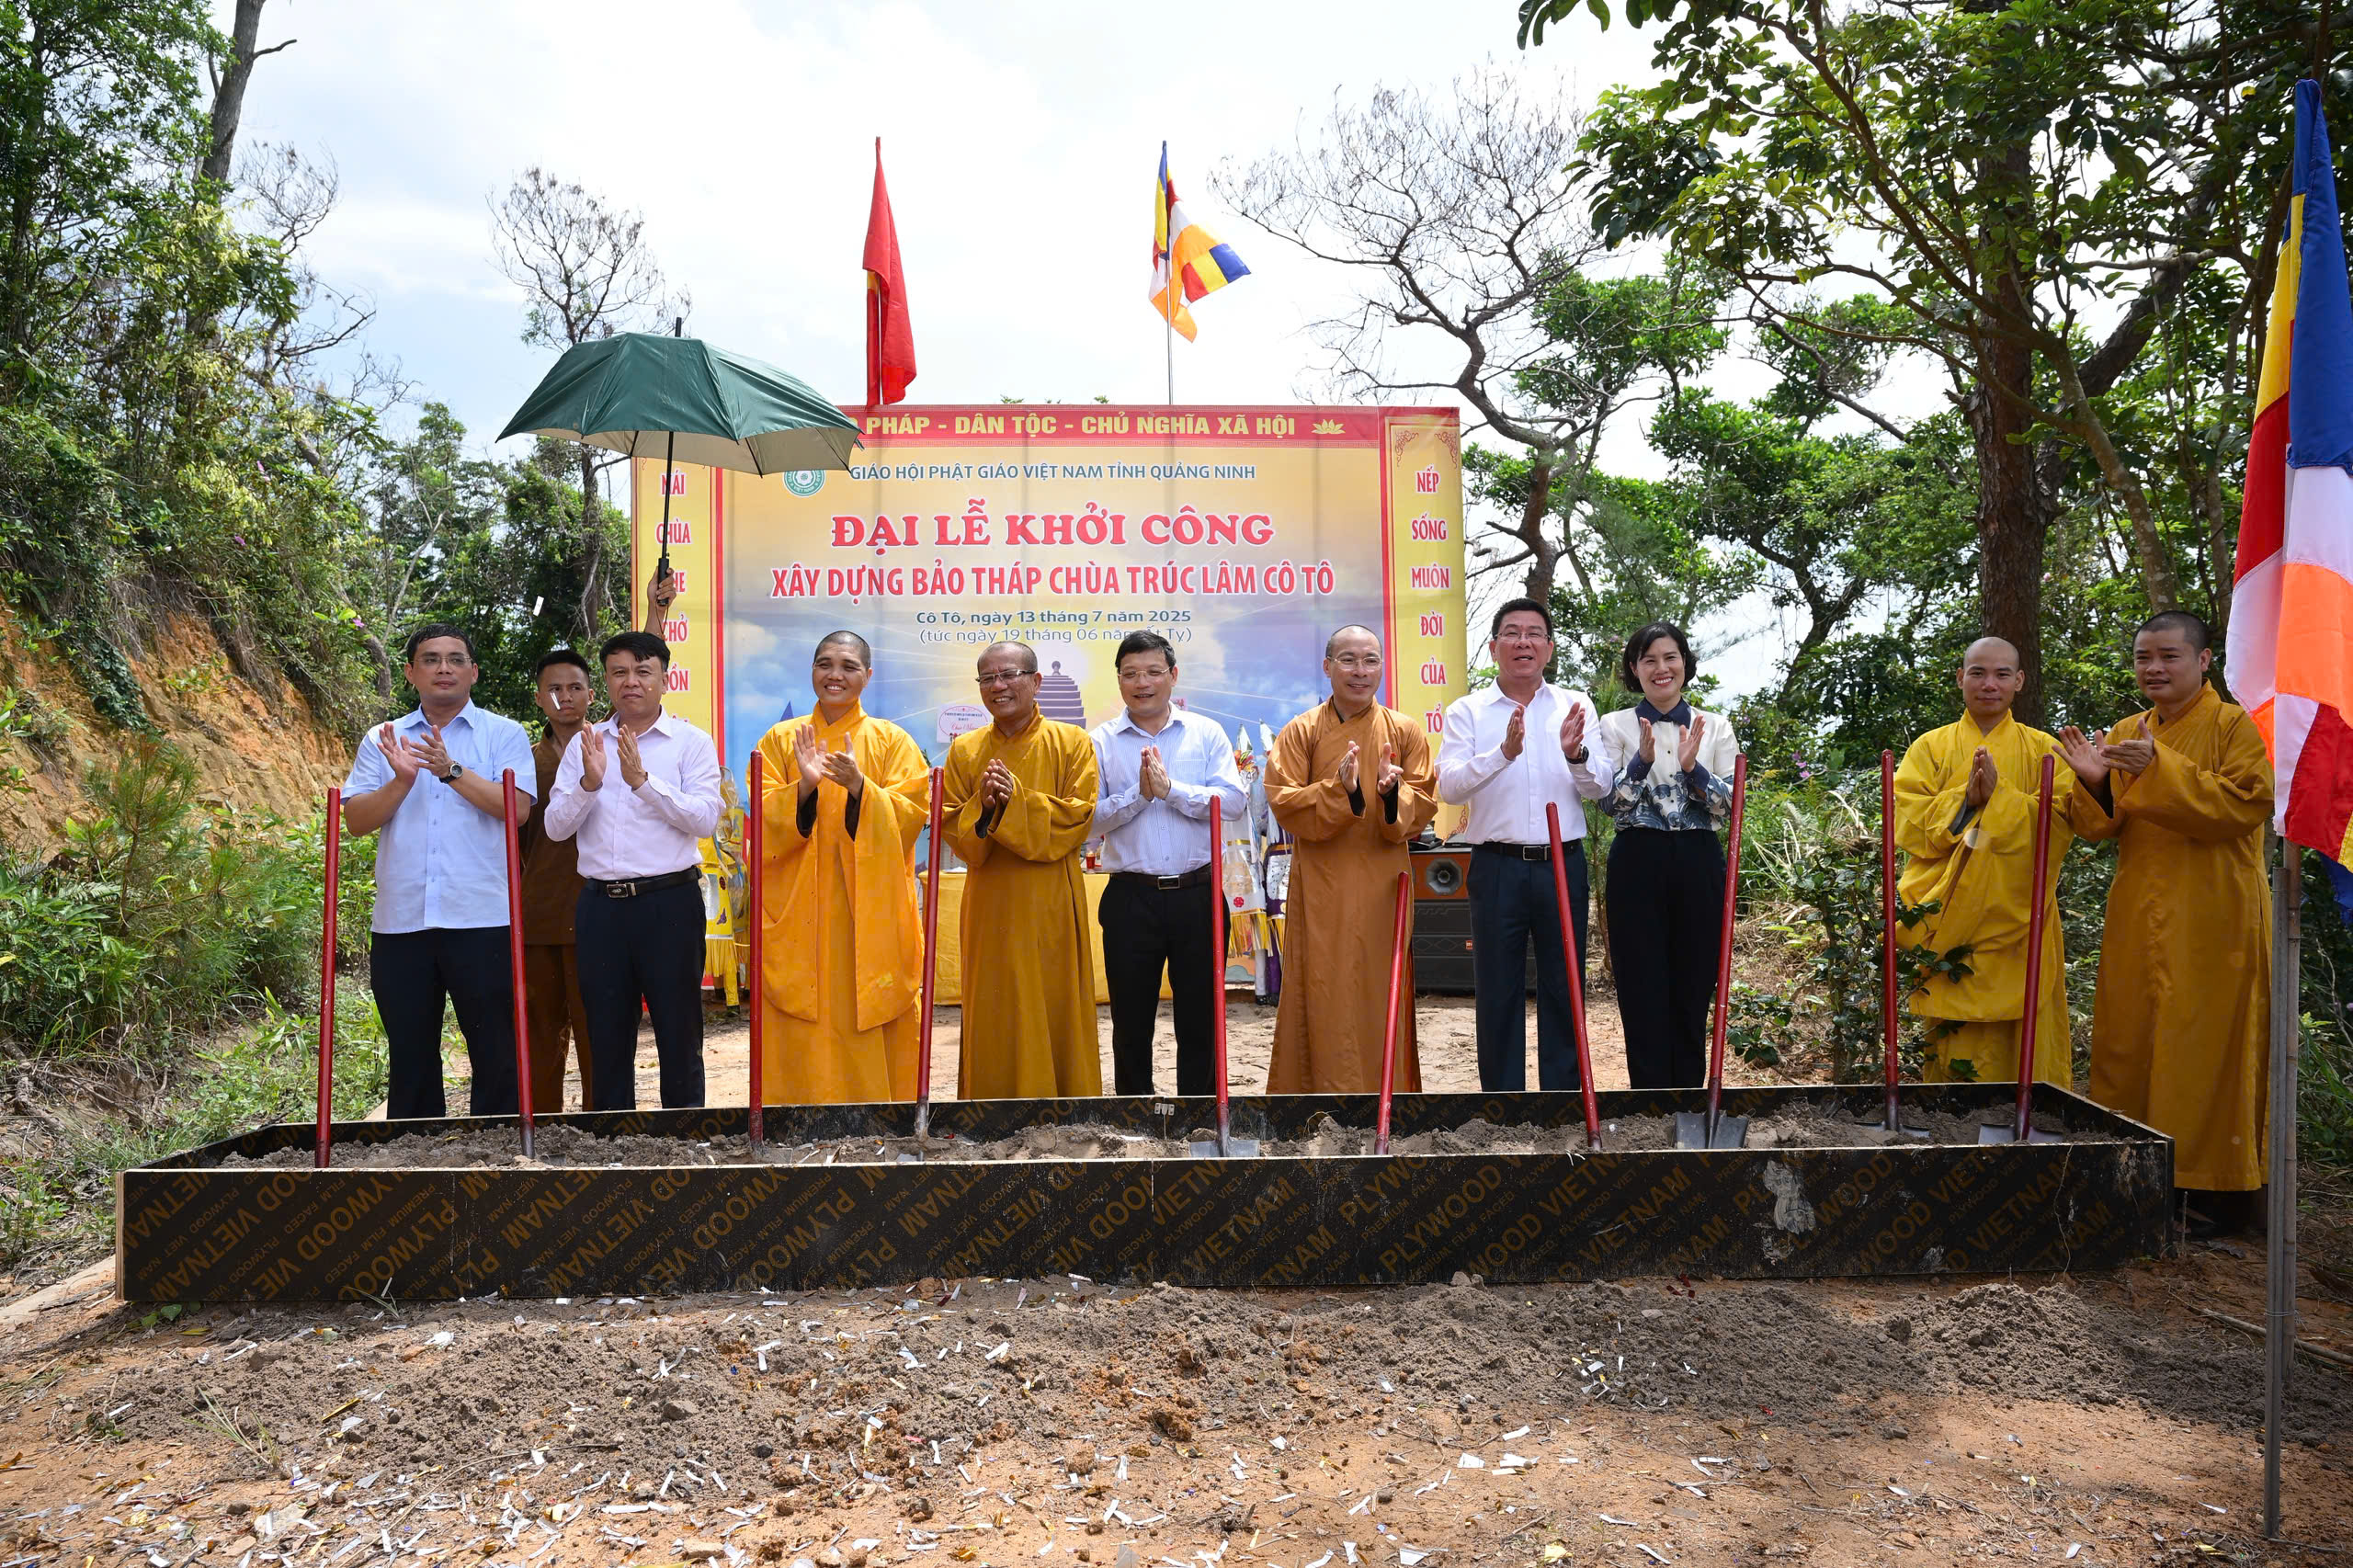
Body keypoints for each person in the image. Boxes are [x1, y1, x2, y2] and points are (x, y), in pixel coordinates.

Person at [2058, 610, 2272, 1235]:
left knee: (2205, 1048)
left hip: (2216, 915)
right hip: (2140, 911)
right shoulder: (2129, 729)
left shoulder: (2234, 725)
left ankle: (2211, 1192)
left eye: (2169, 656)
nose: (2154, 668)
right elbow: (2101, 826)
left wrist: (2160, 768)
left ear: (2204, 661)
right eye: (2143, 658)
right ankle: (2134, 1178)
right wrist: (2096, 784)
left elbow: (2246, 805)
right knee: (2130, 1040)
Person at [340, 623, 536, 1119]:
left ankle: (498, 1149)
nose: (443, 669)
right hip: (402, 921)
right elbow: (356, 820)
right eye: (430, 659)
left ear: (474, 671)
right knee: (409, 1052)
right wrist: (402, 782)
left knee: (495, 1049)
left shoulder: (504, 734)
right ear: (410, 672)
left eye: (455, 659)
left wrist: (451, 771)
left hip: (483, 918)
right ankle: (412, 1152)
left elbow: (516, 810)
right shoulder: (383, 738)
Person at [1437, 598, 1614, 1093]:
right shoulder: (1468, 711)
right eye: (1511, 633)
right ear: (1494, 647)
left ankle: (1561, 1101)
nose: (1523, 642)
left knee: (1565, 984)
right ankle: (1503, 1105)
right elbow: (1449, 787)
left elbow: (1600, 787)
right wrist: (1502, 754)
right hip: (1497, 865)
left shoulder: (1575, 705)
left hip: (1563, 864)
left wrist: (1576, 754)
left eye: (1534, 633)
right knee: (1498, 987)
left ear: (1549, 648)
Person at [544, 631, 724, 1110]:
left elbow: (705, 819)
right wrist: (589, 783)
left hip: (670, 904)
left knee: (678, 1028)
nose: (631, 682)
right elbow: (556, 828)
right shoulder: (585, 745)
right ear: (606, 682)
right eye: (619, 672)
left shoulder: (691, 743)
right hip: (601, 906)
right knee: (605, 1030)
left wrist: (643, 783)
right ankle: (613, 1137)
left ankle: (684, 1133)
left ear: (665, 679)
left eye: (643, 672)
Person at [754, 631, 933, 1103]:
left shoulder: (892, 741)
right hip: (800, 911)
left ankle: (879, 1115)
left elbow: (911, 814)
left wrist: (861, 789)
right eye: (825, 664)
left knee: (865, 1003)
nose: (835, 675)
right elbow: (764, 815)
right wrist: (803, 789)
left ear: (867, 676)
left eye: (849, 666)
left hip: (867, 911)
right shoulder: (780, 740)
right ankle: (793, 1113)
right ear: (812, 670)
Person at [1892, 637, 2075, 1086]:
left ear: (2019, 681)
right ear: (1961, 679)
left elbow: (2065, 819)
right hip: (1952, 916)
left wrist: (2001, 799)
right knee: (1953, 1039)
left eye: (2001, 675)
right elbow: (1907, 819)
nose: (1989, 684)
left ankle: (2027, 1114)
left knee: (2025, 1034)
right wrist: (1967, 801)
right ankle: (1948, 1118)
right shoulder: (1929, 747)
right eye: (1978, 673)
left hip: (2021, 913)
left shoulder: (2045, 750)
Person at [1265, 625, 1439, 1094]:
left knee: (1381, 987)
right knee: (1324, 988)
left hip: (1384, 883)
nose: (1360, 671)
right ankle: (1318, 1098)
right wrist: (1342, 791)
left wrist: (1390, 794)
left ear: (1382, 667)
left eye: (1370, 660)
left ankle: (1388, 1098)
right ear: (1328, 667)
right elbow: (1283, 800)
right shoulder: (1301, 731)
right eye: (1348, 660)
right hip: (1322, 884)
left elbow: (1422, 801)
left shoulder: (1404, 731)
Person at [1089, 631, 1247, 1096]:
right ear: (1119, 680)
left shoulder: (1205, 733)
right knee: (1130, 1019)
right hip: (1130, 897)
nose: (1143, 683)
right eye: (1131, 674)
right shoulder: (1100, 741)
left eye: (1153, 672)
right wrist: (1138, 797)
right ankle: (1135, 1112)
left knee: (1201, 1017)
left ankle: (1198, 1114)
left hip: (1199, 895)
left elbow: (1233, 801)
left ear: (1173, 675)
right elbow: (1089, 820)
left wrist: (1172, 791)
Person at [942, 641, 1102, 1098]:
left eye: (1009, 674)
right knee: (994, 1002)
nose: (998, 686)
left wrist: (1015, 803)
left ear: (1036, 681)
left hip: (1050, 898)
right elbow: (953, 826)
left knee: (1052, 998)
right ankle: (988, 1106)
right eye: (988, 678)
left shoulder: (1071, 742)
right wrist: (984, 806)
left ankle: (1064, 1104)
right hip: (990, 900)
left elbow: (1078, 817)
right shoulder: (965, 751)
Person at [1594, 620, 1744, 1089]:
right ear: (1634, 668)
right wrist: (1640, 761)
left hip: (1699, 858)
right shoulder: (1613, 725)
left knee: (1695, 978)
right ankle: (1648, 1099)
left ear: (1685, 663)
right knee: (1640, 979)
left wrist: (1692, 767)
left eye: (1670, 657)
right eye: (1649, 660)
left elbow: (1731, 806)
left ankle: (1689, 1097)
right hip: (1636, 859)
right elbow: (1610, 804)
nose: (1662, 668)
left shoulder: (1715, 726)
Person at [517, 648, 597, 1110]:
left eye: (574, 687)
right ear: (538, 698)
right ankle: (543, 1123)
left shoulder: (611, 749)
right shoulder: (525, 762)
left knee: (598, 1029)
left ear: (591, 694)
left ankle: (602, 1123)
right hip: (541, 912)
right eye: (554, 689)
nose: (565, 697)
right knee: (541, 1031)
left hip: (599, 910)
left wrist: (655, 617)